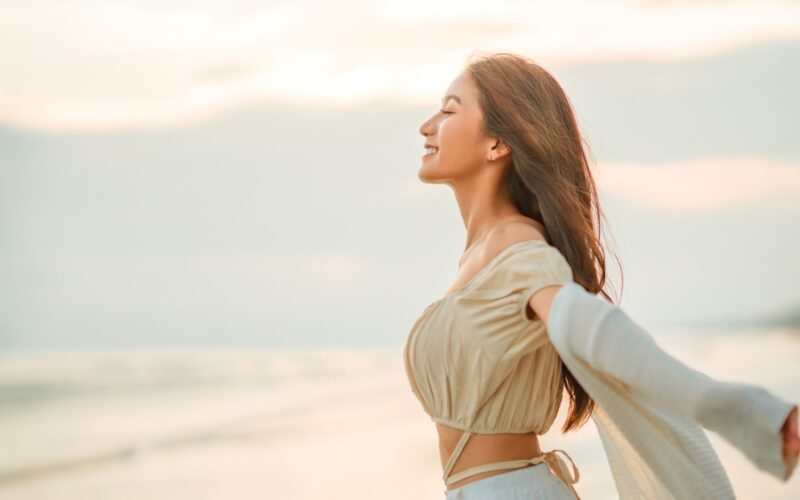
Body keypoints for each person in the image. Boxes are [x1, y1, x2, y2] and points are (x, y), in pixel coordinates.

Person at [404, 52, 800, 500]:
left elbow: (590, 326)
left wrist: (742, 411)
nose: (427, 125)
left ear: (497, 143)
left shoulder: (516, 245)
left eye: (450, 109)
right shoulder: (481, 256)